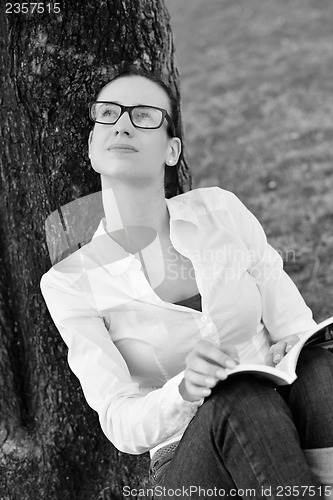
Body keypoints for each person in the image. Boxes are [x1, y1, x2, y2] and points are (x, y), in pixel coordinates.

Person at [40, 69, 333, 499]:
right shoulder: (69, 283)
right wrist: (185, 390)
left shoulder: (220, 211)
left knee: (318, 369)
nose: (122, 123)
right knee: (241, 396)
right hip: (187, 461)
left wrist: (292, 343)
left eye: (143, 115)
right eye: (108, 114)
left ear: (172, 150)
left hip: (282, 409)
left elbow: (292, 322)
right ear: (90, 145)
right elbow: (120, 422)